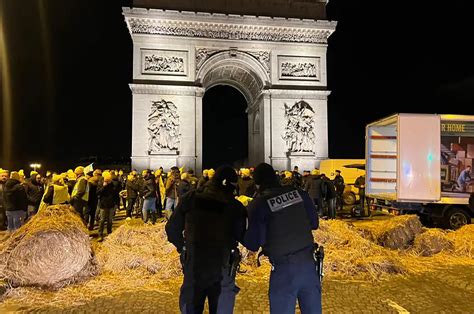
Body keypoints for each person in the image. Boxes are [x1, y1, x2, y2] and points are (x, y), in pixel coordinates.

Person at [166, 165, 247, 314]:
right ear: (226, 184)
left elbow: (171, 229)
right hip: (222, 266)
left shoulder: (190, 198)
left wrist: (183, 247)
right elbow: (242, 236)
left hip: (194, 262)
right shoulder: (235, 206)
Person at [243, 163, 320, 314]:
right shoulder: (299, 193)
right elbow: (314, 223)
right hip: (309, 265)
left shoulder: (259, 204)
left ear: (257, 184)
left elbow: (253, 244)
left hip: (284, 270)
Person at [97, 171, 116, 242]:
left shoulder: (112, 184)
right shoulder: (100, 183)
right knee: (102, 220)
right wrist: (103, 187)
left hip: (111, 205)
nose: (108, 181)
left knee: (110, 220)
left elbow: (115, 194)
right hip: (103, 205)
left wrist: (115, 203)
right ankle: (100, 234)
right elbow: (98, 193)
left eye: (109, 180)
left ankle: (109, 233)